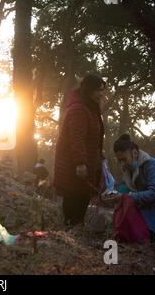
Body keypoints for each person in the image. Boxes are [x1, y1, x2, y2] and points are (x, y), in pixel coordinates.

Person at [108, 134, 155, 243]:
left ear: (134, 153)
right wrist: (114, 196)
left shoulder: (152, 166)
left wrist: (128, 197)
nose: (122, 164)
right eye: (120, 160)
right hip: (149, 207)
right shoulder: (129, 171)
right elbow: (126, 189)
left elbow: (154, 193)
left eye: (124, 159)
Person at [54, 74, 105, 226]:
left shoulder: (91, 108)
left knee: (83, 194)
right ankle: (71, 229)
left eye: (103, 90)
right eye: (98, 90)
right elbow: (76, 139)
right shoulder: (79, 109)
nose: (101, 94)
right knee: (73, 195)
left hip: (86, 161)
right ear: (89, 90)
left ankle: (76, 228)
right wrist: (80, 163)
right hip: (73, 164)